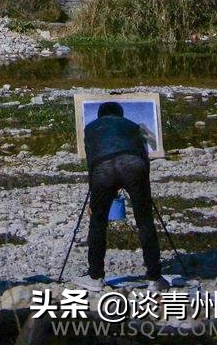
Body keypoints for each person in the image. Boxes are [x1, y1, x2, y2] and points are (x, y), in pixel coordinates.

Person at [79, 101, 166, 292]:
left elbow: (91, 160)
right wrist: (144, 190)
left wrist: (93, 194)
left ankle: (95, 277)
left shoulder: (90, 128)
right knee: (144, 222)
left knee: (98, 222)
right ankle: (154, 279)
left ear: (100, 115)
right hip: (134, 165)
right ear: (120, 114)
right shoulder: (134, 126)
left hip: (102, 168)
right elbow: (145, 154)